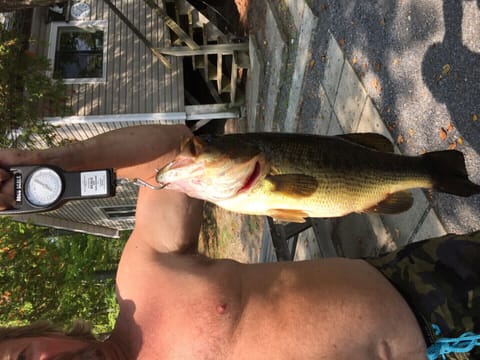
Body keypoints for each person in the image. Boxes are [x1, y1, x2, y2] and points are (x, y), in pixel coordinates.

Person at [0, 124, 479, 360]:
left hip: (436, 285)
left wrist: (45, 163)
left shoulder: (143, 283)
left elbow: (170, 154)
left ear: (35, 333)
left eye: (23, 358)